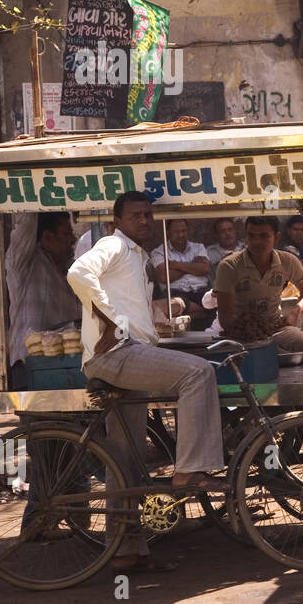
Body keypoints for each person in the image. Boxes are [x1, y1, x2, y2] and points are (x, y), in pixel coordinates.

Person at [67, 191, 226, 572]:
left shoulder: (136, 256)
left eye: (148, 215)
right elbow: (77, 273)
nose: (144, 221)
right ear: (116, 221)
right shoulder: (113, 245)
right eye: (136, 215)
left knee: (124, 459)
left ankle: (124, 550)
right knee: (198, 372)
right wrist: (110, 321)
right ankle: (189, 469)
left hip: (127, 351)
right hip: (116, 355)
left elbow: (128, 307)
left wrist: (151, 325)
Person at [213, 216, 303, 352]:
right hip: (240, 336)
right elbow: (225, 317)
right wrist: (249, 331)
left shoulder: (288, 261)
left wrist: (294, 314)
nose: (257, 241)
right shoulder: (229, 266)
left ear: (276, 237)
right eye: (252, 235)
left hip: (276, 328)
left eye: (264, 236)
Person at [5, 212, 81, 390]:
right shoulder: (23, 262)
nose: (73, 239)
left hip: (68, 365)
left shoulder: (72, 270)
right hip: (29, 365)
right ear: (47, 237)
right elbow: (26, 221)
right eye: (67, 233)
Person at [147, 218, 212, 325]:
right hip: (176, 293)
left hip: (202, 290)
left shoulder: (198, 247)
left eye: (183, 231)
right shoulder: (159, 252)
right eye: (176, 232)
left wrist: (175, 265)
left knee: (218, 301)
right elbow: (164, 276)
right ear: (168, 232)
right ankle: (201, 307)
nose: (181, 234)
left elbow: (204, 269)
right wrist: (192, 265)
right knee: (175, 303)